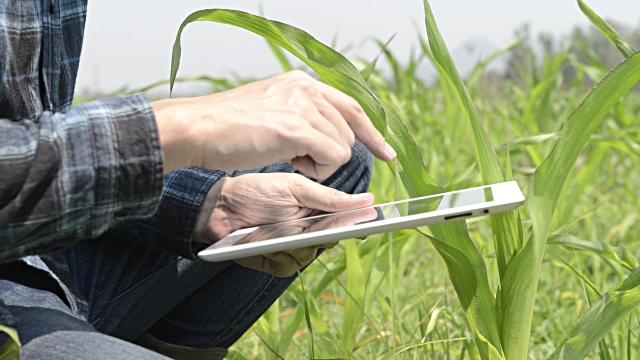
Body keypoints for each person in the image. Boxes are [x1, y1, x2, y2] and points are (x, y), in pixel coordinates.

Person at [0, 1, 396, 359]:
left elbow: (34, 141)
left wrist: (207, 204)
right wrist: (178, 130)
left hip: (34, 253)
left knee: (336, 164)